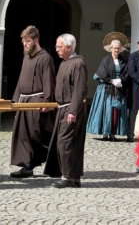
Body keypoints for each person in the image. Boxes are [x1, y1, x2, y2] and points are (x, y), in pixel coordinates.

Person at [10, 26, 56, 178]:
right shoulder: (26, 57)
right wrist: (16, 100)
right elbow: (21, 80)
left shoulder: (45, 58)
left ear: (36, 40)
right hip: (24, 102)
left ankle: (56, 164)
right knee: (22, 135)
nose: (25, 44)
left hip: (37, 102)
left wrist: (47, 102)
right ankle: (26, 166)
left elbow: (49, 81)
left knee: (37, 135)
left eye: (28, 41)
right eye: (23, 41)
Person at [44, 33, 88, 188]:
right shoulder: (64, 63)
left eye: (60, 46)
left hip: (71, 108)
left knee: (65, 141)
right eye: (57, 46)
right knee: (69, 142)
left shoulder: (78, 64)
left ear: (69, 47)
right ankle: (74, 177)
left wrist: (73, 111)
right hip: (63, 108)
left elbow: (79, 89)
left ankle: (68, 177)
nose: (57, 49)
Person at [86, 32, 129, 141]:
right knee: (107, 111)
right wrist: (111, 81)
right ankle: (106, 133)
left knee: (116, 112)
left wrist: (120, 80)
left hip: (119, 89)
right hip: (106, 89)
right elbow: (101, 73)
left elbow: (127, 74)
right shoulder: (105, 60)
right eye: (114, 48)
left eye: (118, 48)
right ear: (111, 49)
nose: (116, 50)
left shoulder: (123, 61)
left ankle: (114, 133)